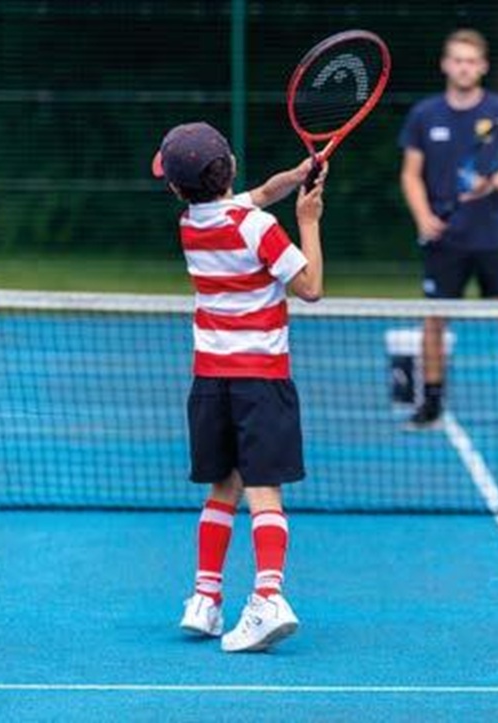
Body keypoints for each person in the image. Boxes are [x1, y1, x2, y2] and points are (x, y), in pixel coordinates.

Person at [152, 122, 325, 652]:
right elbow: (311, 287)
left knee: (222, 484)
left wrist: (296, 177)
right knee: (262, 489)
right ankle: (269, 597)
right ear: (230, 163)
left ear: (181, 189)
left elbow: (256, 196)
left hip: (211, 380)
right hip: (261, 380)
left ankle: (205, 600)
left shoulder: (192, 223)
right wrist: (307, 220)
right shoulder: (259, 229)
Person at [399, 29, 498, 434]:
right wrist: (423, 216)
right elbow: (411, 175)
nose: (464, 67)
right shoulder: (424, 115)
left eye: (471, 61)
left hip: (496, 237)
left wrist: (492, 183)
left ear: (482, 67)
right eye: (457, 59)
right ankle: (430, 403)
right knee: (433, 320)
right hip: (444, 240)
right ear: (445, 64)